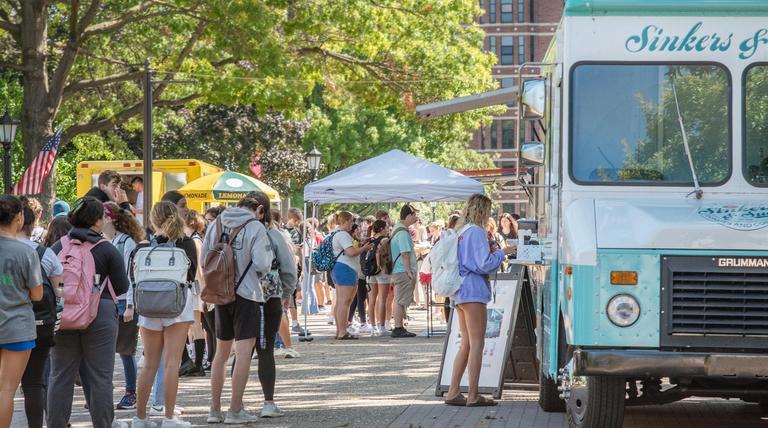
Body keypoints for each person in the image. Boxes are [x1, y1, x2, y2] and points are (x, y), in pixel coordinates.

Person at [47, 197, 130, 428]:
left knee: (60, 376)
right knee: (100, 378)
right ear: (96, 220)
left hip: (64, 316)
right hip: (99, 314)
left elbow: (49, 281)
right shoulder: (106, 249)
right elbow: (122, 286)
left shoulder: (58, 247)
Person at [204, 196, 272, 424]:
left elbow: (205, 257)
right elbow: (262, 264)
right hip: (247, 294)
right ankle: (235, 409)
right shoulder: (256, 227)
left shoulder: (217, 223)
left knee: (220, 354)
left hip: (220, 294)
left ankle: (214, 409)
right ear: (256, 209)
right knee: (243, 354)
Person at [131, 201, 198, 428]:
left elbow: (134, 279)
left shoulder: (142, 248)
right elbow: (191, 275)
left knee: (149, 363)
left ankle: (140, 418)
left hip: (149, 306)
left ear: (152, 220)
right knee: (171, 363)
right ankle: (169, 417)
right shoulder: (186, 244)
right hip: (178, 306)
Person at [445, 194, 514, 408]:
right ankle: (473, 394)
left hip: (460, 290)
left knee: (465, 344)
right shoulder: (476, 231)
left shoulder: (462, 231)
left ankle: (453, 391)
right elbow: (483, 264)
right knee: (476, 344)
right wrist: (502, 252)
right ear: (482, 211)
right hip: (474, 289)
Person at [250, 192, 298, 415]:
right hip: (269, 293)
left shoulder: (229, 231)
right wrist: (286, 294)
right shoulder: (272, 234)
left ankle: (231, 404)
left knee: (238, 351)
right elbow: (288, 267)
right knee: (266, 348)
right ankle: (268, 402)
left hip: (237, 295)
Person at [18, 197, 64, 428]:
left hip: (7, 324)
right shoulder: (46, 254)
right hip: (40, 323)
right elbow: (59, 291)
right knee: (35, 383)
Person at [0, 196, 44, 428]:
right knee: (6, 390)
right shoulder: (26, 252)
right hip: (17, 327)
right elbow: (37, 295)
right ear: (19, 217)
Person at [102, 202, 146, 411]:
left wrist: (129, 304)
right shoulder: (111, 240)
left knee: (126, 351)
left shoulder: (126, 242)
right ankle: (106, 392)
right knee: (111, 349)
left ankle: (131, 392)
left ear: (109, 218)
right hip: (112, 300)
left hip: (124, 301)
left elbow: (131, 275)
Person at [330, 211, 372, 340]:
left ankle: (340, 330)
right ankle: (343, 331)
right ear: (345, 221)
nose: (352, 224)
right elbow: (351, 252)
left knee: (341, 302)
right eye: (351, 221)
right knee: (345, 302)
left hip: (339, 267)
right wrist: (364, 248)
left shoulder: (335, 233)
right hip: (346, 268)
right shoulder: (343, 234)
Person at [179, 210, 207, 378]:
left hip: (195, 287)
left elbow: (200, 270)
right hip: (194, 287)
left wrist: (204, 291)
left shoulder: (194, 241)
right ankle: (195, 363)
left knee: (196, 326)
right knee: (194, 325)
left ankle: (197, 364)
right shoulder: (193, 240)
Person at [389, 204, 420, 338]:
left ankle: (399, 325)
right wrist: (409, 271)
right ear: (408, 215)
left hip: (399, 270)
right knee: (401, 300)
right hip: (403, 270)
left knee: (399, 298)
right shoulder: (402, 232)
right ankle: (398, 327)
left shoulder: (398, 229)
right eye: (414, 215)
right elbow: (405, 253)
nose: (416, 218)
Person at [367, 220, 390, 336]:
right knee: (382, 299)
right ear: (381, 229)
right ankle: (382, 326)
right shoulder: (385, 240)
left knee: (372, 300)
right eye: (386, 227)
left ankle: (372, 326)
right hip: (382, 270)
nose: (388, 229)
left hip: (371, 271)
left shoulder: (370, 240)